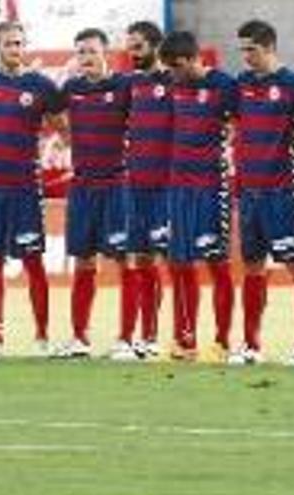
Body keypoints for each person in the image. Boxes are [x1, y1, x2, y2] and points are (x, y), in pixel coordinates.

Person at [0, 21, 63, 358]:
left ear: (25, 46)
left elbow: (64, 130)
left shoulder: (41, 86)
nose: (14, 49)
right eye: (8, 43)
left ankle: (42, 338)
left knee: (33, 261)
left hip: (24, 188)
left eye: (19, 43)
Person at [230, 20, 294, 365]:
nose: (245, 56)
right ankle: (251, 344)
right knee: (252, 267)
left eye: (250, 49)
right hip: (250, 190)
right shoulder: (242, 84)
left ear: (268, 47)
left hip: (284, 189)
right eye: (243, 49)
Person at [50, 28, 132, 359]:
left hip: (116, 186)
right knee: (83, 261)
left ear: (106, 53)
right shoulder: (71, 89)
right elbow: (50, 110)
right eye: (80, 51)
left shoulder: (123, 86)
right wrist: (66, 134)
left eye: (91, 51)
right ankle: (79, 338)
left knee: (123, 261)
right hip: (82, 187)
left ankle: (127, 338)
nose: (86, 57)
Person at [158, 31, 237, 362]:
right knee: (178, 265)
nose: (173, 75)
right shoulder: (174, 86)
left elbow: (240, 122)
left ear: (193, 59)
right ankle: (184, 340)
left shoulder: (223, 86)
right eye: (169, 69)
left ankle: (221, 341)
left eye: (177, 67)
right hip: (178, 188)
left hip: (211, 188)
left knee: (217, 265)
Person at [111, 20, 171, 360]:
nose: (132, 53)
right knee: (137, 259)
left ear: (155, 46)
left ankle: (155, 336)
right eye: (129, 47)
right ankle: (129, 337)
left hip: (167, 187)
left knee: (163, 259)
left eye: (138, 47)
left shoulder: (173, 82)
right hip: (134, 185)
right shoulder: (128, 83)